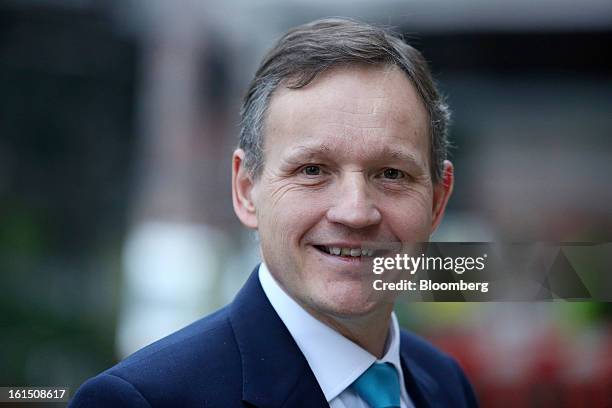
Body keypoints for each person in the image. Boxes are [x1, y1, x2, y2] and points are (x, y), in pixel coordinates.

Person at [69, 17, 478, 407]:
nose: (355, 212)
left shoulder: (444, 384)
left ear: (438, 201)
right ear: (246, 190)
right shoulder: (145, 400)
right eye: (313, 170)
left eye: (391, 173)